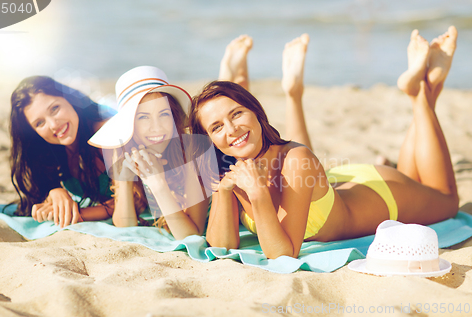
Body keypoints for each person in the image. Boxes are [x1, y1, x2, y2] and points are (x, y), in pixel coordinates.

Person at [188, 28, 459, 259]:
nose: (232, 129)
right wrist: (223, 192)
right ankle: (425, 87)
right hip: (344, 181)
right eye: (217, 127)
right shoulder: (232, 169)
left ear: (256, 112)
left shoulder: (295, 159)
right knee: (414, 177)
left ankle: (419, 95)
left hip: (383, 195)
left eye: (236, 114)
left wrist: (258, 194)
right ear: (210, 139)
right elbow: (221, 246)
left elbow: (284, 253)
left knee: (447, 200)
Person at [88, 66, 211, 240]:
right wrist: (125, 180)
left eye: (164, 114)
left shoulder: (192, 154)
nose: (157, 127)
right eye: (143, 117)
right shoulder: (125, 152)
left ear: (174, 117)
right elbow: (125, 224)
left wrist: (157, 183)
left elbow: (191, 234)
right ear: (129, 125)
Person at [10, 76, 116, 227]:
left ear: (69, 100)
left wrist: (76, 214)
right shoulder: (51, 151)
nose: (53, 125)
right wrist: (55, 192)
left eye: (55, 108)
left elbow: (131, 202)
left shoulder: (106, 134)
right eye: (40, 123)